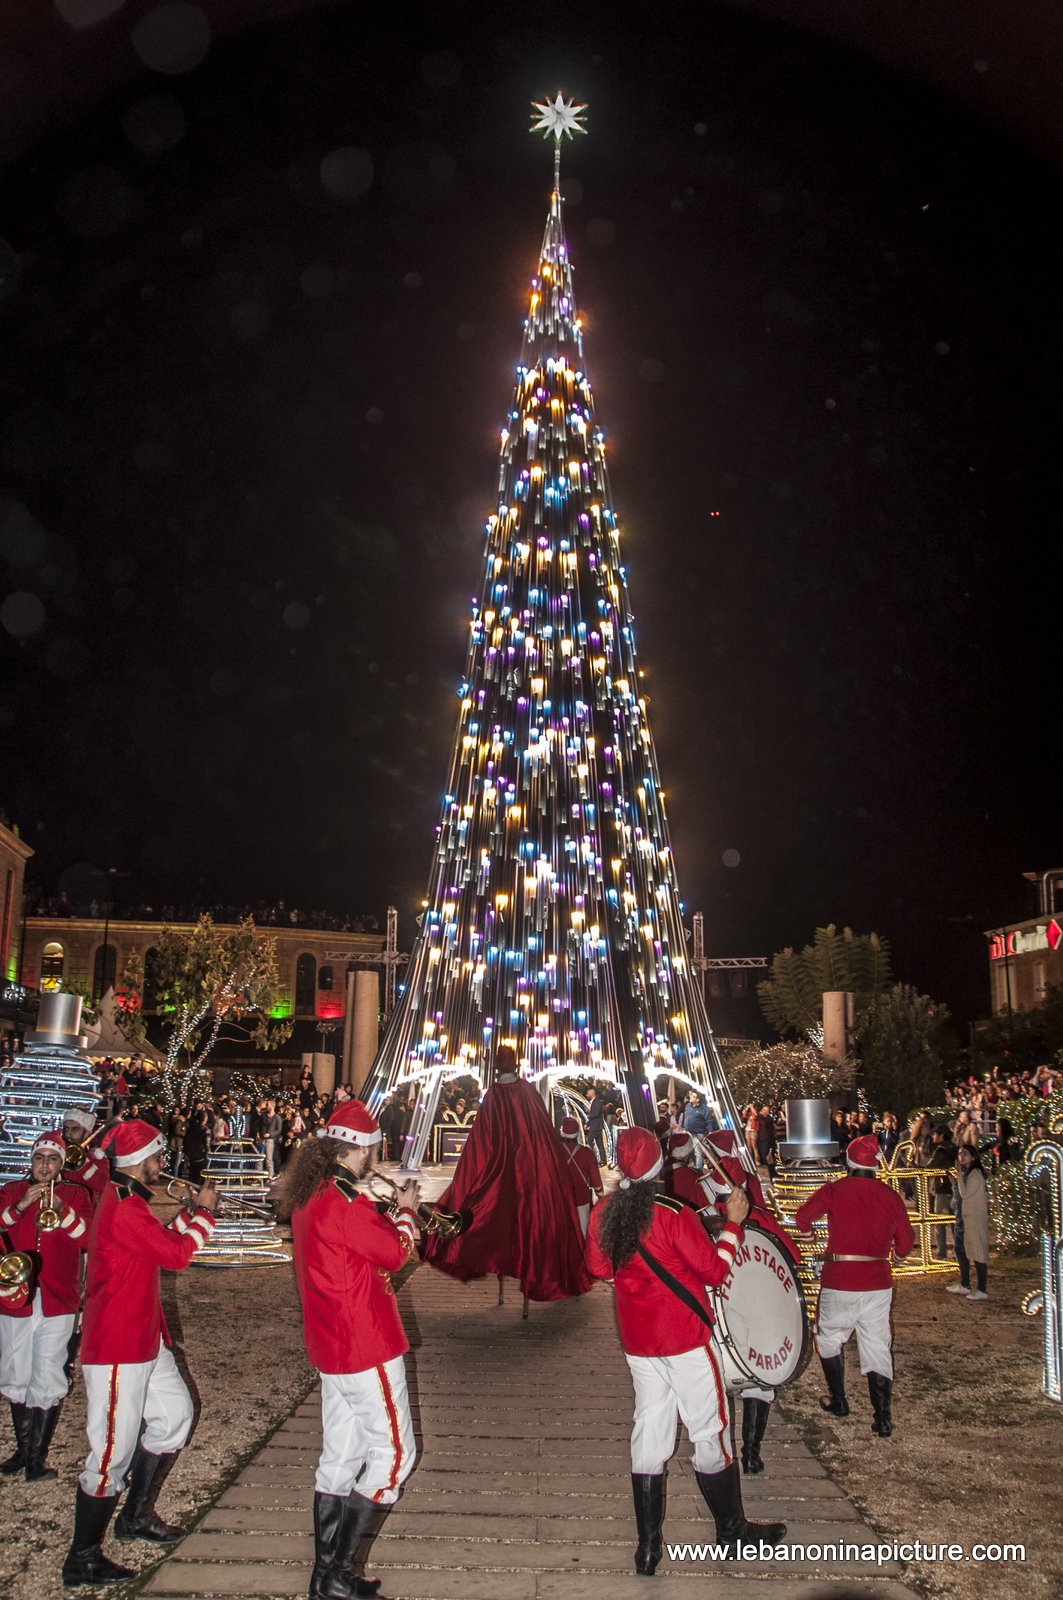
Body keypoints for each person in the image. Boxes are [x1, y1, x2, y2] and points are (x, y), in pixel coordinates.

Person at [586, 1126, 785, 1573]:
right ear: (661, 1166)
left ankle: (649, 1548)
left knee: (650, 1428)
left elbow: (598, 1267)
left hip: (638, 1341)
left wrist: (635, 1286)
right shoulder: (675, 1213)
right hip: (685, 1339)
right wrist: (734, 1222)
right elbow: (714, 1272)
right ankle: (732, 1534)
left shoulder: (605, 1211)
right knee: (709, 1430)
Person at [61, 1118, 219, 1589]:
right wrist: (205, 1214)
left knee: (175, 1417)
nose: (161, 1163)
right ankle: (82, 1557)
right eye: (157, 1156)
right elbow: (177, 1256)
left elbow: (159, 1243)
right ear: (140, 1160)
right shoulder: (125, 1206)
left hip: (144, 1339)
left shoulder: (128, 1201)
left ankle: (136, 1516)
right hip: (118, 1347)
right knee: (110, 1451)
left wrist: (189, 1214)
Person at [277, 1100, 419, 1600]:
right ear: (359, 1148)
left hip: (330, 1344)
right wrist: (405, 1212)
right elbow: (396, 1253)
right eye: (372, 1148)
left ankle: (325, 1575)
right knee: (396, 1455)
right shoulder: (345, 1203)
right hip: (365, 1342)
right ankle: (341, 1571)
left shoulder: (311, 1195)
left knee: (339, 1456)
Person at [423, 1046, 592, 1302]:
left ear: (495, 1067)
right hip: (531, 1172)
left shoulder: (493, 1095)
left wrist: (470, 1178)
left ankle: (501, 1270)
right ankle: (533, 1272)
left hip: (500, 1173)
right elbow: (542, 1134)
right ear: (516, 1066)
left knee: (492, 1215)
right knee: (532, 1219)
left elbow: (480, 1140)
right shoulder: (527, 1091)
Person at [794, 1132, 915, 1438]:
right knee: (876, 1344)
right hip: (877, 1281)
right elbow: (906, 1242)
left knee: (829, 1337)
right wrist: (896, 1257)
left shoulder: (836, 1190)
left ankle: (838, 1399)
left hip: (840, 1278)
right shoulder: (889, 1195)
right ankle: (882, 1416)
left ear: (847, 1163)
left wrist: (810, 1238)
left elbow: (803, 1216)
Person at [699, 1128, 803, 1476]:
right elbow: (793, 1258)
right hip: (755, 1318)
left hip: (722, 1318)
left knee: (720, 1380)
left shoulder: (704, 1224)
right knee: (760, 1383)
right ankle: (752, 1453)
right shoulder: (761, 1219)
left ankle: (729, 1451)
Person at [0, 1130, 92, 1479]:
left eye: (52, 1159)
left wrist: (63, 1212)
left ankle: (36, 1458)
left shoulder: (76, 1194)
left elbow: (89, 1238)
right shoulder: (10, 1192)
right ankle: (22, 1452)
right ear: (31, 1161)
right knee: (14, 1368)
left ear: (61, 1164)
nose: (45, 1165)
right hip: (14, 1297)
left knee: (49, 1370)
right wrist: (20, 1207)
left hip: (59, 1298)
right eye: (39, 1159)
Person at [947, 1146, 990, 1301]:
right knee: (961, 1251)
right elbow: (959, 1194)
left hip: (972, 1220)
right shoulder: (966, 1175)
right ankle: (965, 1284)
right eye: (959, 1153)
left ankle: (981, 1288)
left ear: (973, 1157)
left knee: (978, 1253)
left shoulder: (975, 1175)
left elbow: (965, 1194)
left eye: (965, 1153)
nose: (961, 1156)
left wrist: (958, 1175)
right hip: (962, 1218)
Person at [559, 1116, 603, 1237]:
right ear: (578, 1132)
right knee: (584, 1233)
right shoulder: (587, 1153)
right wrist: (601, 1195)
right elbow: (596, 1180)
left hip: (562, 1200)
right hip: (582, 1199)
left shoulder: (556, 1152)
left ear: (562, 1132)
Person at [61, 1108, 109, 1204]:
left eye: (75, 1129)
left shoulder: (97, 1157)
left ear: (87, 1133)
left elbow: (103, 1187)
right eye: (66, 1128)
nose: (67, 1134)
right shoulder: (58, 1151)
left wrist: (83, 1163)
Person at [584, 1085, 608, 1166]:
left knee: (589, 1140)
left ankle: (594, 1156)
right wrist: (587, 1123)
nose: (587, 1095)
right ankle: (602, 1160)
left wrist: (588, 1116)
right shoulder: (595, 1102)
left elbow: (596, 1113)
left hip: (596, 1126)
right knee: (599, 1143)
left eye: (588, 1093)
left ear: (592, 1093)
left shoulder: (597, 1102)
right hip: (596, 1125)